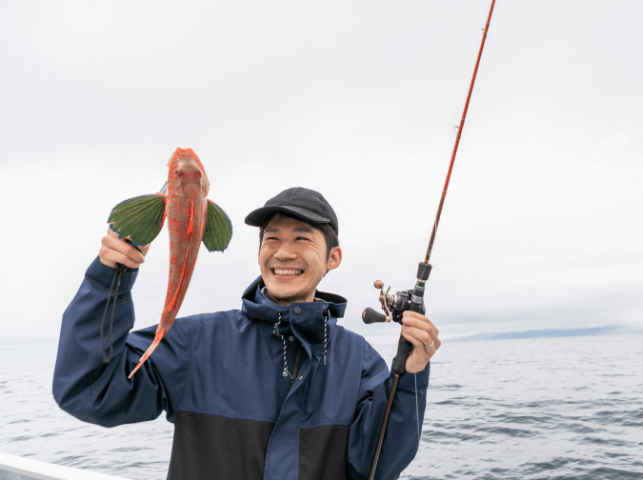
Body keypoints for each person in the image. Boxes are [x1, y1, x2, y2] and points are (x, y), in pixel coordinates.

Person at [53, 187, 440, 480]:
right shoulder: (194, 341)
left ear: (332, 258)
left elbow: (375, 465)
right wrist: (109, 278)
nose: (283, 252)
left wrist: (409, 377)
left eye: (302, 238)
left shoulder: (358, 359)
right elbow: (90, 392)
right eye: (271, 239)